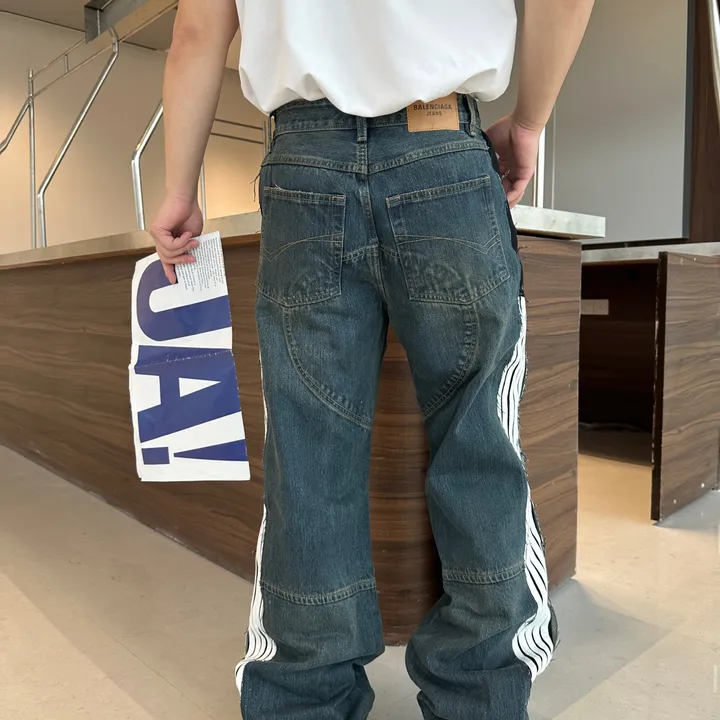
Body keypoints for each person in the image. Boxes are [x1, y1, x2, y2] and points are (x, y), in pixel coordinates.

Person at [150, 1, 594, 717]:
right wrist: (529, 122)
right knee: (479, 437)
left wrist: (178, 188)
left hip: (303, 163)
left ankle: (303, 696)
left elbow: (195, 32)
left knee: (308, 450)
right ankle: (480, 693)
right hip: (443, 148)